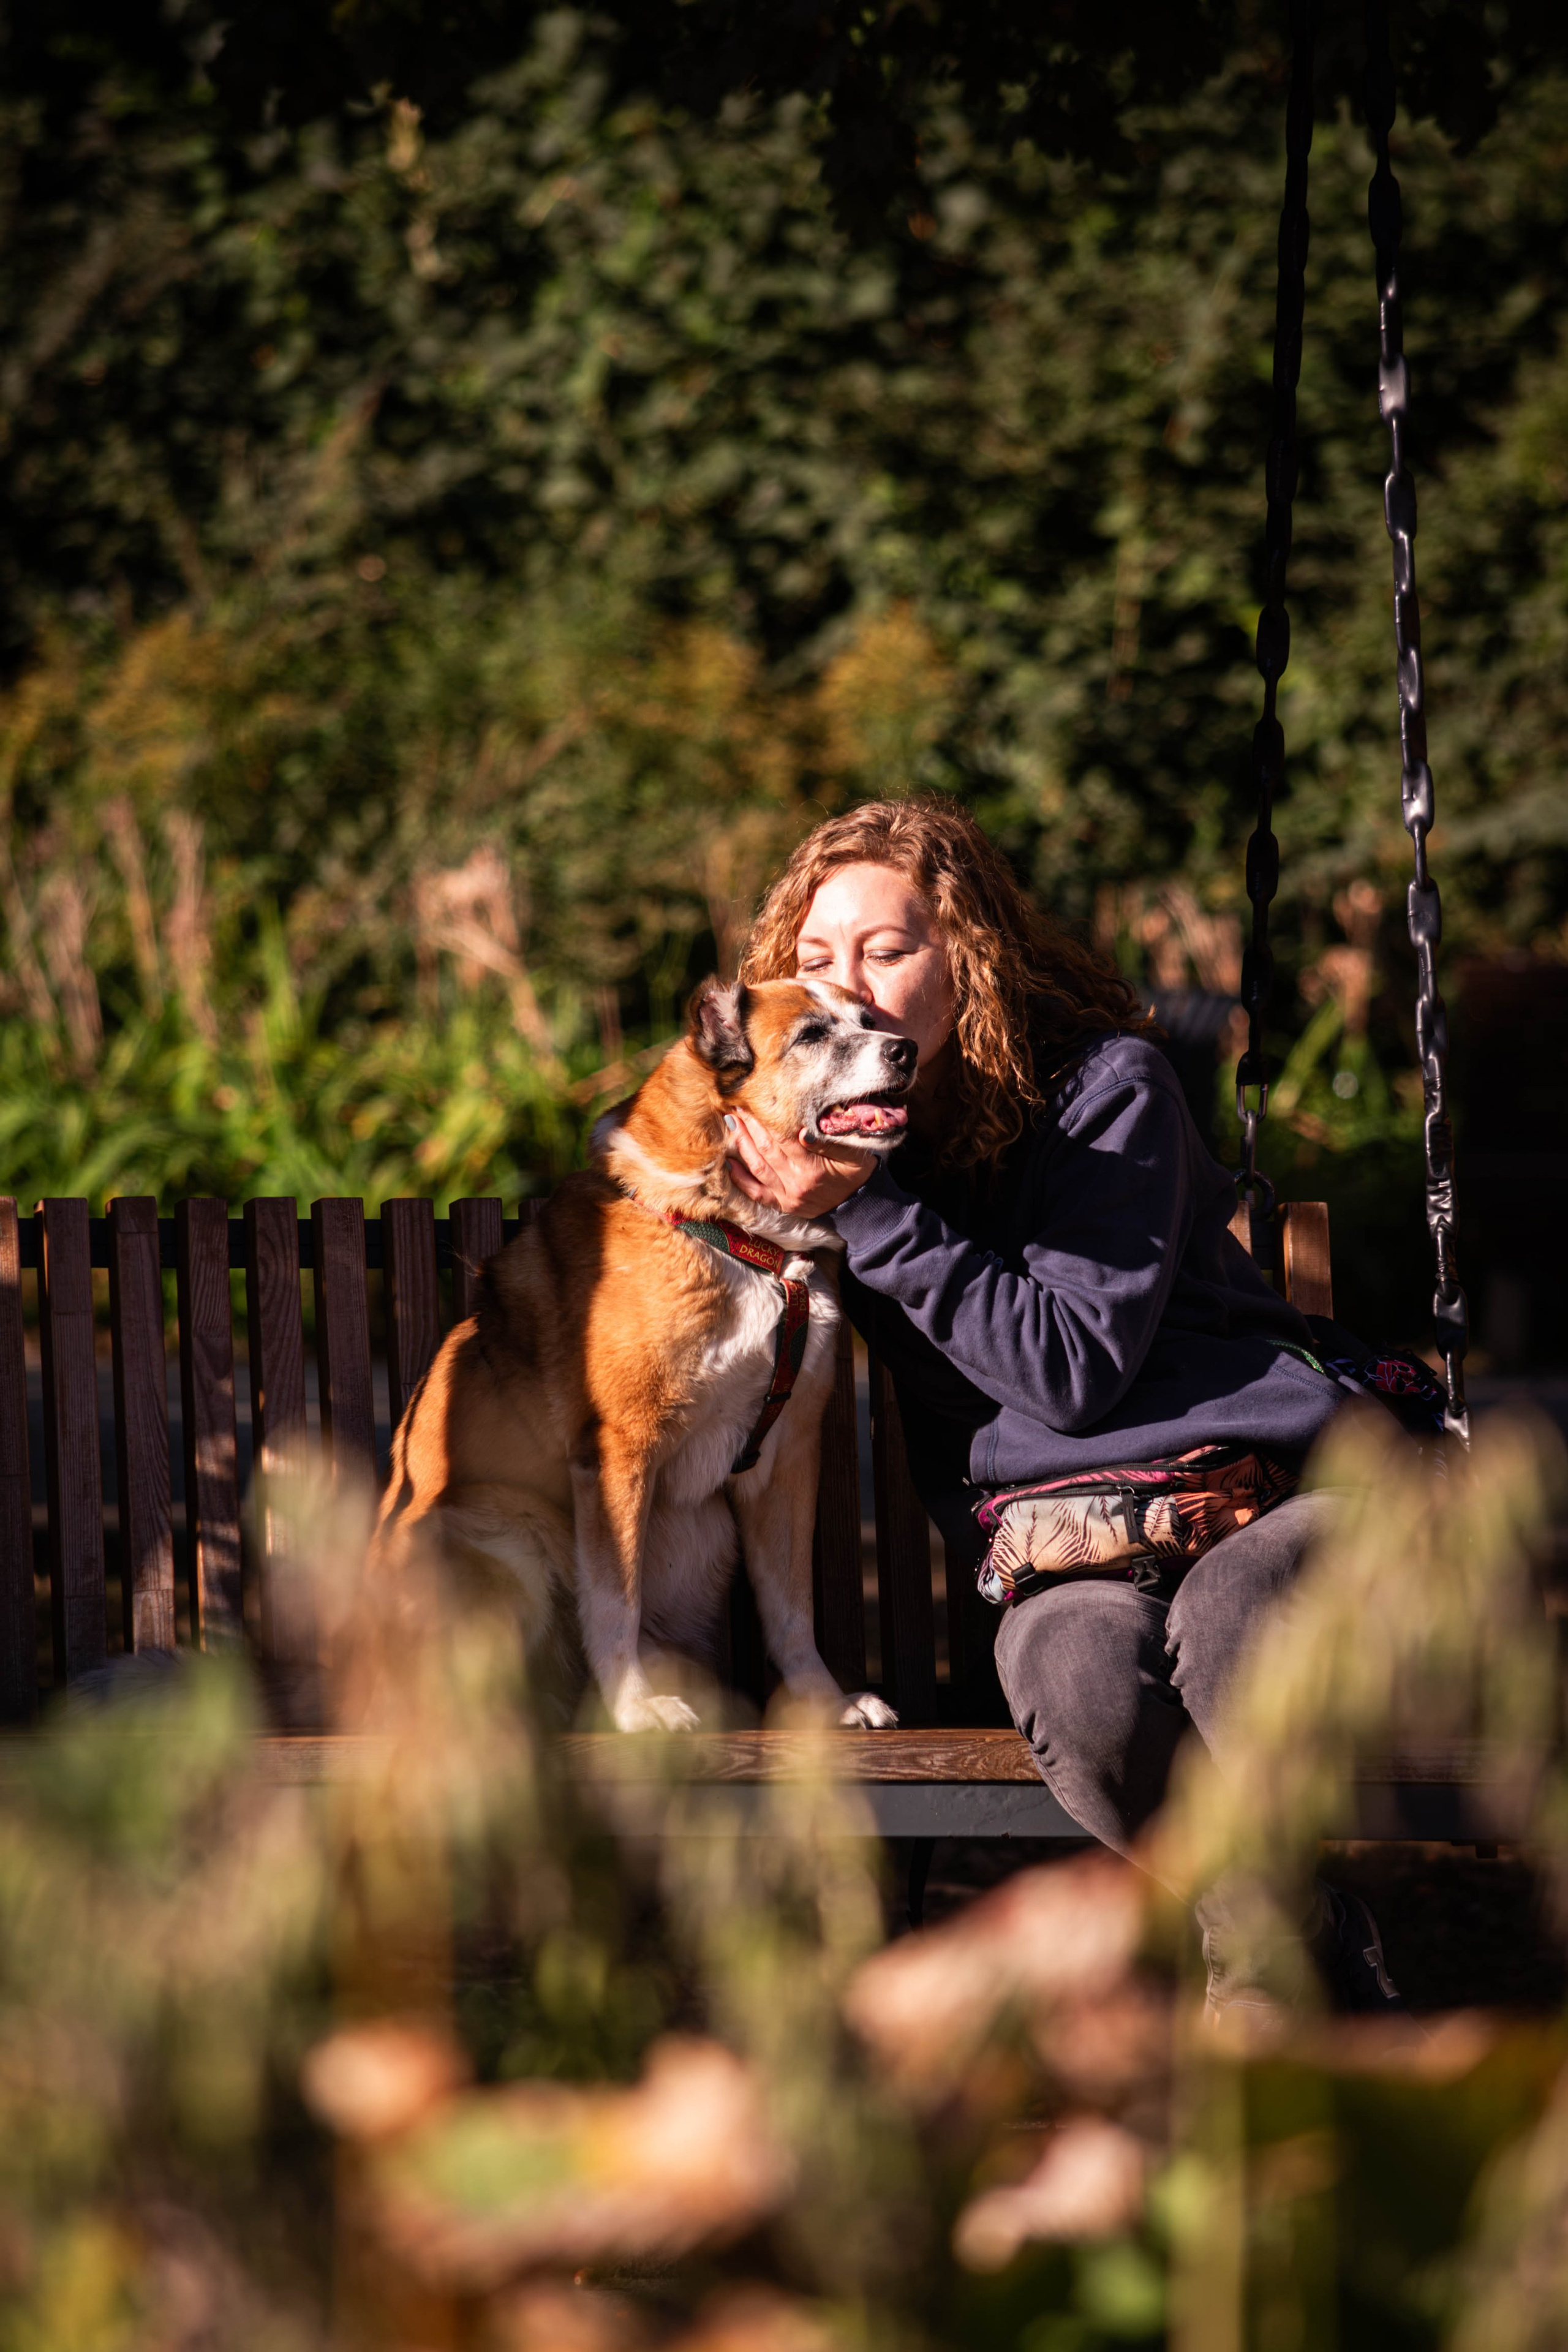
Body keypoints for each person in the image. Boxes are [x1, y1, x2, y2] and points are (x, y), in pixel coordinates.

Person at [728, 797, 1402, 2019]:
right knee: (1075, 1675)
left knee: (1234, 1616)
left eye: (886, 950)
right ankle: (1298, 1936)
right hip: (1067, 1538)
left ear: (965, 954)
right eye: (816, 962)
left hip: (1265, 1493)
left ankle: (1256, 1994)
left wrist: (870, 1213)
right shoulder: (839, 1134)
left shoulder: (1105, 1090)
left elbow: (1068, 1371)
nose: (852, 989)